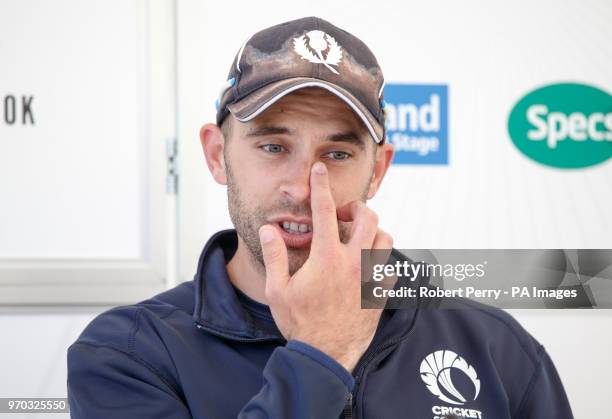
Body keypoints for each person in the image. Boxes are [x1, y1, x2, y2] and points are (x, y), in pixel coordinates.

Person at [67, 16, 574, 418]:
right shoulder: (131, 354)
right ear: (218, 154)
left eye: (337, 155)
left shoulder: (497, 348)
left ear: (378, 172)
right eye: (272, 146)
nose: (305, 186)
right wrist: (322, 352)